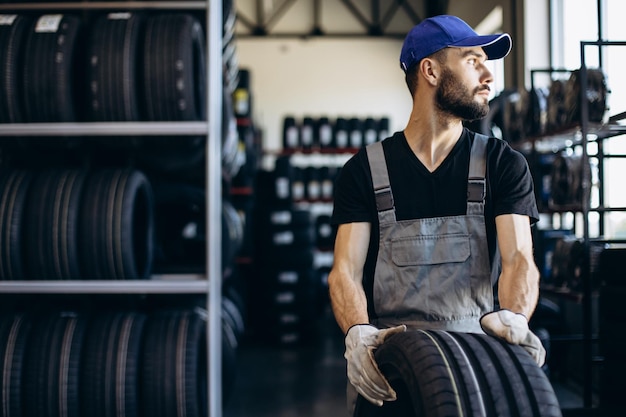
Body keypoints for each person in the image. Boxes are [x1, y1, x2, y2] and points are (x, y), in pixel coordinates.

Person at [327, 14, 546, 413]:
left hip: (475, 372)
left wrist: (515, 316)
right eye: (472, 60)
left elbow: (518, 259)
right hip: (388, 374)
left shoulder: (502, 165)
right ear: (429, 70)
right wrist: (357, 333)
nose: (489, 76)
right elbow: (345, 271)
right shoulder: (364, 171)